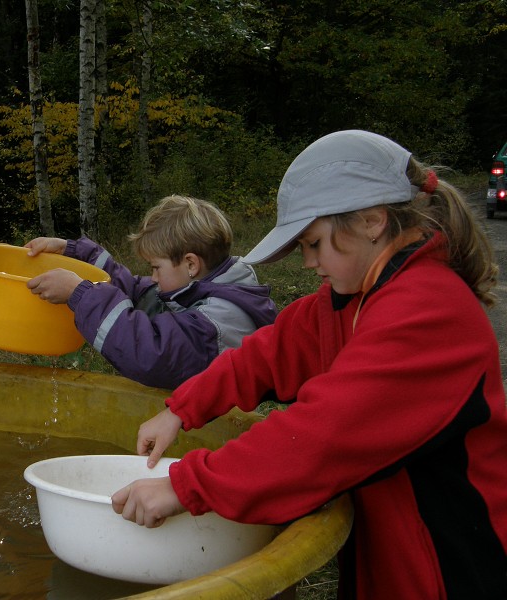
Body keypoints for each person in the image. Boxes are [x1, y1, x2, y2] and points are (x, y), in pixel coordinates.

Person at [110, 131, 507, 598]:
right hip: (391, 552)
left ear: (373, 221)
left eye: (314, 243)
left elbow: (324, 434)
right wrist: (181, 409)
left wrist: (185, 485)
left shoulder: (428, 311)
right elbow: (269, 352)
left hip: (451, 566)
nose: (307, 262)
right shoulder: (353, 298)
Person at [24, 195, 278, 389]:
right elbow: (135, 290)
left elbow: (150, 353)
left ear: (191, 264)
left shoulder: (219, 320)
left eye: (156, 267)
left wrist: (80, 294)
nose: (153, 277)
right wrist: (74, 253)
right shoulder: (197, 287)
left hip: (212, 437)